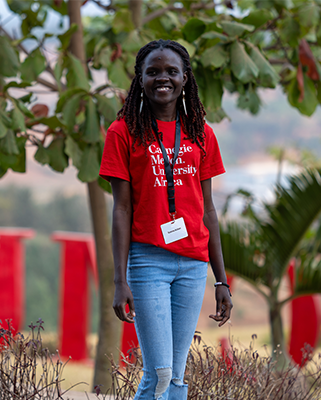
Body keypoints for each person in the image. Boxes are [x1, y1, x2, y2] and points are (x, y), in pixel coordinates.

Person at [99, 39, 233, 399]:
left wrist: (222, 281)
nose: (163, 78)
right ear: (139, 79)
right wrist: (118, 279)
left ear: (185, 78)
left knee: (176, 376)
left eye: (171, 71)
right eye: (153, 71)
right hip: (147, 263)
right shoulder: (122, 133)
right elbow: (121, 210)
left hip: (191, 265)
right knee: (159, 372)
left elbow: (208, 211)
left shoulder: (201, 134)